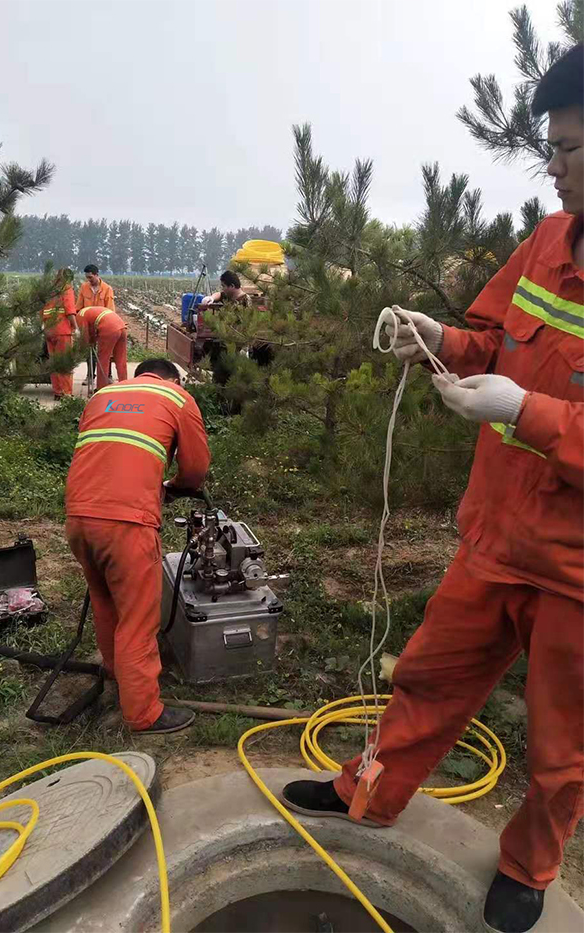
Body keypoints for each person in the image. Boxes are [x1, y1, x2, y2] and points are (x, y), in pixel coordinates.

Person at [281, 43, 583, 933]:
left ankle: (529, 863)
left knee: (564, 752)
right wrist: (439, 339)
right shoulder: (547, 240)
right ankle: (364, 794)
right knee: (426, 679)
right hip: (496, 537)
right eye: (552, 148)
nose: (554, 168)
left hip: (576, 572)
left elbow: (521, 392)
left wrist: (526, 409)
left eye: (569, 148)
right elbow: (490, 340)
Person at [65, 358, 210, 734]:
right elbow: (195, 470)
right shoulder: (177, 396)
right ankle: (143, 713)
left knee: (104, 599)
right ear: (173, 379)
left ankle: (119, 675)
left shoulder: (103, 395)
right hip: (127, 523)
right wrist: (175, 487)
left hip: (79, 518)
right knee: (138, 618)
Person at [197, 271, 250, 385]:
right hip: (224, 339)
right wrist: (211, 298)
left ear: (232, 286)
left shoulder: (245, 301)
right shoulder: (229, 296)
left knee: (229, 372)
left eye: (224, 286)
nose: (223, 288)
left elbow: (245, 326)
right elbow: (220, 294)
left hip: (236, 343)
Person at [41, 268, 79, 400]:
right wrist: (76, 327)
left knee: (54, 362)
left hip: (49, 331)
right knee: (65, 363)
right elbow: (69, 310)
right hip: (63, 331)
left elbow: (42, 311)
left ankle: (57, 392)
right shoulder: (66, 288)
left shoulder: (50, 290)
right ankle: (66, 393)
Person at [76, 264, 116, 383]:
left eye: (91, 278)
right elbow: (79, 306)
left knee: (105, 350)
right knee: (90, 351)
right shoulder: (84, 287)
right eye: (87, 278)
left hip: (103, 324)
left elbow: (110, 309)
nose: (89, 280)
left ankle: (107, 375)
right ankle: (90, 376)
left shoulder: (107, 289)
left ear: (97, 275)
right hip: (88, 324)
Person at [76, 305, 128, 390]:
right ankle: (124, 385)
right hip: (121, 326)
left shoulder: (80, 315)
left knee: (103, 359)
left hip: (109, 328)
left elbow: (84, 336)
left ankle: (101, 387)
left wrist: (83, 347)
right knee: (121, 358)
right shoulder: (88, 310)